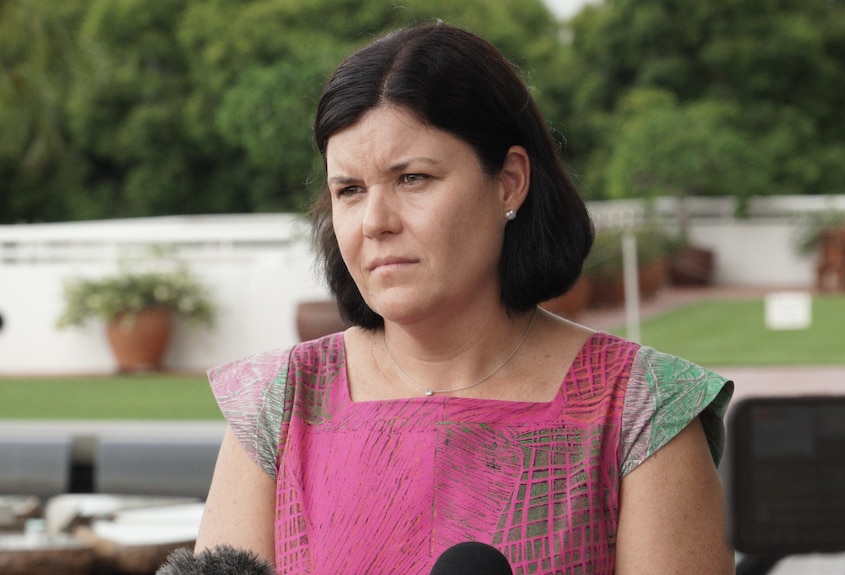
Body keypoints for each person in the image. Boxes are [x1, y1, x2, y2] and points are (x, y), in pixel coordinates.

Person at [193, 22, 735, 574]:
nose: (375, 222)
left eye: (413, 179)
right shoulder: (278, 405)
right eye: (350, 191)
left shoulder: (638, 409)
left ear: (509, 182)